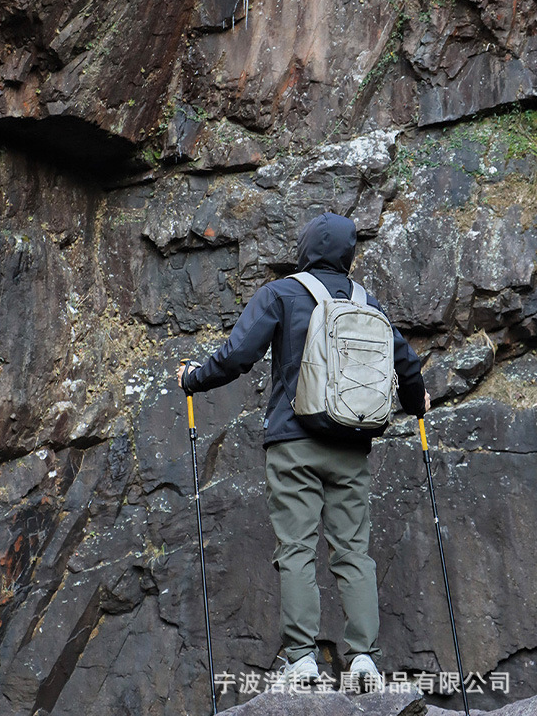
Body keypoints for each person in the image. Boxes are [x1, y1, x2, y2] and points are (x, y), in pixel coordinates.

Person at [177, 211, 430, 690]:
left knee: (296, 549)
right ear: (349, 253)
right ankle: (364, 662)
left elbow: (236, 356)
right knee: (354, 552)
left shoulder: (282, 293)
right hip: (351, 447)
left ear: (305, 247)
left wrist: (193, 378)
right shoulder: (366, 302)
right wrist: (417, 403)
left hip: (293, 444)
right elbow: (407, 363)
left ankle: (302, 660)